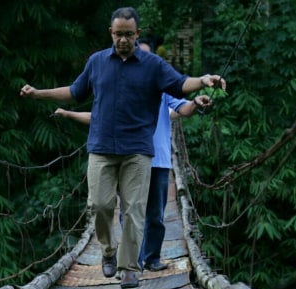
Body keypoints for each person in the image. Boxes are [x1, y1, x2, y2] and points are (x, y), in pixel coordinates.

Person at [20, 6, 226, 289]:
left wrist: (203, 80)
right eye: (118, 34)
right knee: (100, 205)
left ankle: (129, 268)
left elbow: (180, 84)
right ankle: (108, 251)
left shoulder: (153, 65)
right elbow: (74, 91)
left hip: (138, 150)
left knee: (134, 209)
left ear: (137, 33)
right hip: (102, 147)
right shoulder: (97, 62)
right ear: (111, 33)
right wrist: (38, 94)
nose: (123, 40)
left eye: (129, 35)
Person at [55, 42, 218, 274]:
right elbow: (98, 116)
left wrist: (196, 100)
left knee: (155, 215)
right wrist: (68, 113)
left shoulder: (162, 87)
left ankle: (151, 258)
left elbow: (183, 107)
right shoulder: (118, 85)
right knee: (130, 210)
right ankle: (132, 262)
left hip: (158, 158)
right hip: (127, 155)